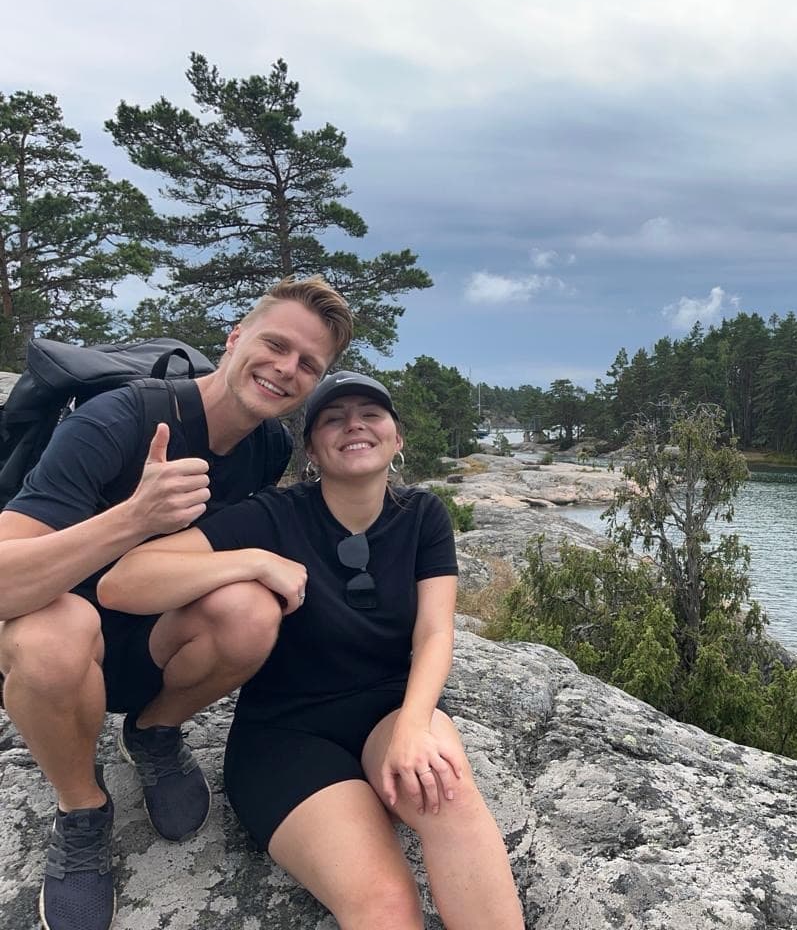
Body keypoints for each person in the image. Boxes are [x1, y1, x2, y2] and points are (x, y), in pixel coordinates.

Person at [99, 372, 524, 930]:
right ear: (313, 449)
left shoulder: (422, 516)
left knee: (451, 799)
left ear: (397, 439)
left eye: (371, 413)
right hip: (286, 733)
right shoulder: (274, 516)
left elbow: (435, 634)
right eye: (333, 416)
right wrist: (252, 561)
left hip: (393, 711)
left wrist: (416, 726)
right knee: (386, 907)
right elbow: (124, 581)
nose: (354, 424)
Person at [0, 276, 353, 930]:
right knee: (51, 637)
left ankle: (153, 732)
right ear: (235, 337)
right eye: (276, 344)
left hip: (154, 633)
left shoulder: (267, 447)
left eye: (309, 364)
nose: (286, 369)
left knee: (251, 612)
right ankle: (82, 809)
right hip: (69, 643)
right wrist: (133, 518)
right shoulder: (118, 421)